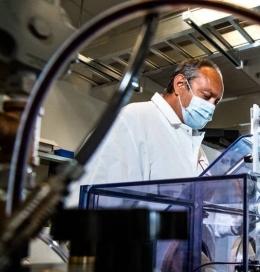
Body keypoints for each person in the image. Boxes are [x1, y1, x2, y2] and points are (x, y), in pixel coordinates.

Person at [66, 57, 224, 207]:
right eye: (206, 96)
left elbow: (198, 210)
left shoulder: (194, 145)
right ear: (180, 84)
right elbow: (98, 197)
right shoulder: (133, 119)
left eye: (215, 102)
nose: (211, 107)